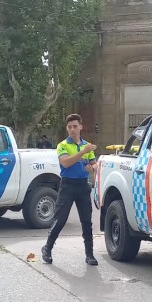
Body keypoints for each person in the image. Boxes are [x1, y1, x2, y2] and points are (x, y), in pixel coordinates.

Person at [41, 114, 98, 266]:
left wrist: (92, 167)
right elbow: (65, 163)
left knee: (86, 221)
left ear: (81, 127)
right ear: (67, 128)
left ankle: (90, 254)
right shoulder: (63, 145)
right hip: (67, 185)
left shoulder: (87, 145)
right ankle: (47, 248)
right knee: (60, 219)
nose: (72, 129)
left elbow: (94, 163)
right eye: (69, 127)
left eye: (75, 126)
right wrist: (81, 152)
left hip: (83, 185)